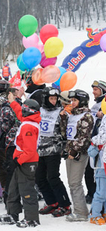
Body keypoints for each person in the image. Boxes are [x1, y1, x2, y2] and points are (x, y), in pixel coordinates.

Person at [0, 98, 41, 228]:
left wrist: (17, 161)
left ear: (29, 110)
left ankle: (31, 218)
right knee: (13, 188)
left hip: (27, 162)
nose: (22, 110)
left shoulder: (29, 126)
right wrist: (13, 102)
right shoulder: (28, 120)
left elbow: (30, 150)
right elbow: (20, 114)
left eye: (24, 108)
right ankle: (12, 214)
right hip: (21, 160)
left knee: (26, 189)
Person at [36, 87, 71, 217]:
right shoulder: (39, 110)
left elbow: (66, 131)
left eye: (55, 98)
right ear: (45, 98)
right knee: (39, 178)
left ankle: (65, 205)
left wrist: (64, 148)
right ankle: (52, 202)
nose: (53, 101)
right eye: (51, 98)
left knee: (53, 177)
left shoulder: (61, 112)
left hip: (53, 150)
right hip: (40, 150)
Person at [60, 89, 94, 222]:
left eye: (75, 100)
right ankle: (78, 210)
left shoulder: (86, 116)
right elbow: (65, 134)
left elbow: (85, 137)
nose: (72, 103)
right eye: (71, 100)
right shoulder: (72, 115)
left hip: (78, 154)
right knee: (72, 183)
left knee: (75, 183)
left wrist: (74, 151)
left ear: (82, 101)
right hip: (70, 152)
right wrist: (63, 118)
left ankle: (81, 212)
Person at [0, 88, 22, 206]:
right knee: (11, 173)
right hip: (12, 143)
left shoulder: (22, 105)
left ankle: (18, 198)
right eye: (17, 92)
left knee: (21, 173)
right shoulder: (6, 108)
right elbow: (6, 127)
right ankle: (9, 199)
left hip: (22, 145)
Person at [84, 80, 106, 204]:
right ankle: (92, 193)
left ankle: (99, 197)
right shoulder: (95, 105)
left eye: (96, 90)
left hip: (102, 145)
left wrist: (103, 115)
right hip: (93, 143)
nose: (93, 92)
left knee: (99, 173)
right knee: (88, 171)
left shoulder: (103, 104)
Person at [88, 115, 106, 225]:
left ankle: (104, 212)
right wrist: (96, 145)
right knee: (101, 193)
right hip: (101, 169)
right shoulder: (97, 140)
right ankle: (95, 214)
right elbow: (91, 152)